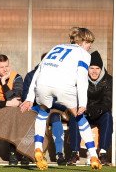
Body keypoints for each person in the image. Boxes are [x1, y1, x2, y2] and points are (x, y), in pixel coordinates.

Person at [20, 27, 102, 170]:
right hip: (63, 86)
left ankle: (38, 148)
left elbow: (38, 71)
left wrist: (29, 98)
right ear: (83, 41)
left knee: (43, 111)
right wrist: (83, 102)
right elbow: (82, 78)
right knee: (79, 117)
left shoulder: (56, 47)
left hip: (43, 84)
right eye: (89, 43)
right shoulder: (83, 53)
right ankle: (94, 155)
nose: (90, 46)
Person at [68, 51, 113, 166]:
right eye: (91, 68)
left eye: (97, 68)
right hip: (84, 112)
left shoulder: (109, 80)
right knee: (75, 116)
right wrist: (86, 110)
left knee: (108, 116)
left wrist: (96, 110)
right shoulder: (80, 79)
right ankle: (74, 152)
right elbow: (76, 100)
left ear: (101, 68)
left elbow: (107, 102)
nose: (94, 71)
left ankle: (103, 153)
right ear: (87, 69)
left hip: (100, 113)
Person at [22, 53, 68, 165]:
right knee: (30, 120)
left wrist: (49, 102)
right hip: (36, 107)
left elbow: (64, 102)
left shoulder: (61, 77)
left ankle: (59, 154)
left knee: (56, 119)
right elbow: (25, 97)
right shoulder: (31, 76)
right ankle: (27, 154)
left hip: (54, 110)